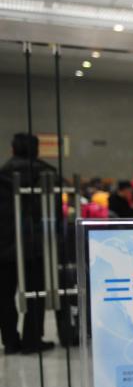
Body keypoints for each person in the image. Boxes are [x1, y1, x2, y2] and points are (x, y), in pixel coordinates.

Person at [0, 133, 57, 354]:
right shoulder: (48, 174)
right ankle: (33, 340)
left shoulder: (2, 174)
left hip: (4, 245)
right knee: (36, 294)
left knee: (4, 296)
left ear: (13, 150)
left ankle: (10, 341)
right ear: (38, 150)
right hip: (37, 244)